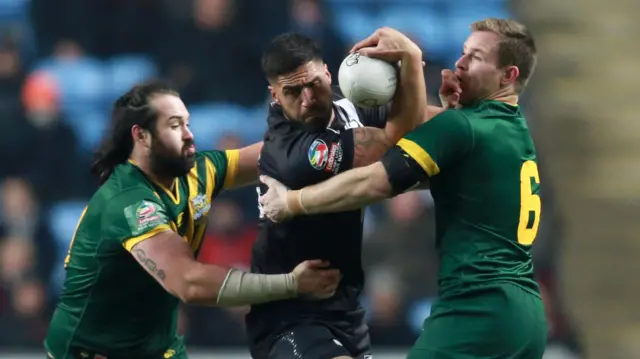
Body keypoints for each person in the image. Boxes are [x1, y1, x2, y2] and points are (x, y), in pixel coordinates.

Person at [258, 18, 548, 359]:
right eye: (463, 52)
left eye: (476, 57)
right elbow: (447, 167)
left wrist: (293, 201)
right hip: (525, 316)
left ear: (508, 75)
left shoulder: (462, 127)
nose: (460, 63)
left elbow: (378, 181)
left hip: (477, 308)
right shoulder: (513, 129)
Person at [44, 81, 342, 359]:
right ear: (141, 136)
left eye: (187, 122)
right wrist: (291, 284)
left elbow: (280, 157)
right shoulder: (128, 201)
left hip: (156, 345)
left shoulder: (198, 170)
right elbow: (188, 282)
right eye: (175, 125)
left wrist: (336, 128)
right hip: (91, 351)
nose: (189, 134)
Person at [245, 29, 434, 359]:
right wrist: (411, 62)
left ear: (328, 74)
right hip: (289, 317)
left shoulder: (351, 108)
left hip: (345, 313)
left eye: (313, 84)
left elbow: (432, 130)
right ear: (274, 94)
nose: (307, 98)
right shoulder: (293, 151)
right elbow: (397, 148)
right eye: (292, 92)